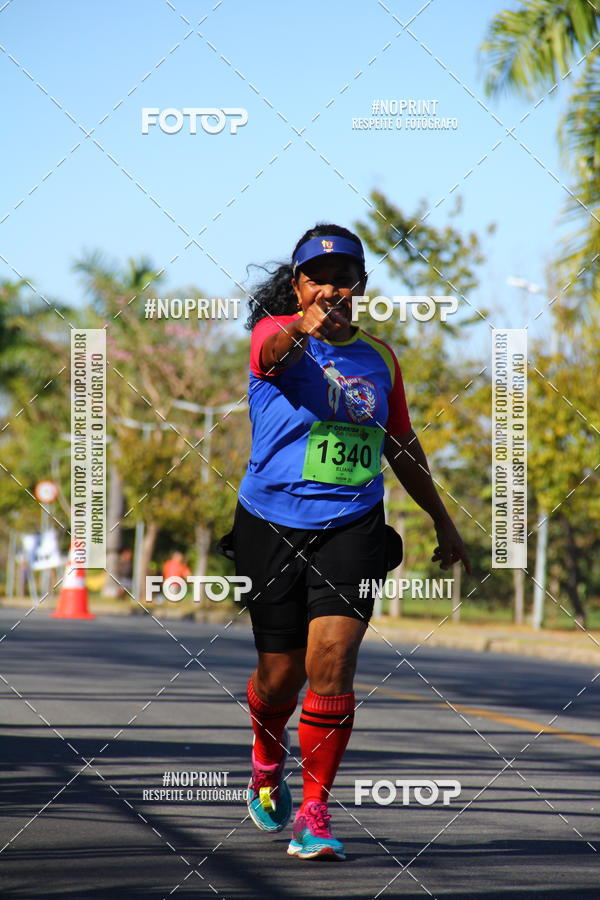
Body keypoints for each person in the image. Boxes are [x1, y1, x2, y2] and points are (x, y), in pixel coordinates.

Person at [225, 223, 471, 861]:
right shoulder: (271, 335)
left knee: (331, 660)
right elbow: (271, 354)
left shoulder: (380, 358)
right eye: (318, 278)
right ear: (299, 283)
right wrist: (300, 327)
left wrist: (444, 521)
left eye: (344, 278)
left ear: (361, 285)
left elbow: (401, 444)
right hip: (270, 523)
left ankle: (314, 811)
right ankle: (263, 755)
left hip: (353, 525)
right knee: (280, 676)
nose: (331, 288)